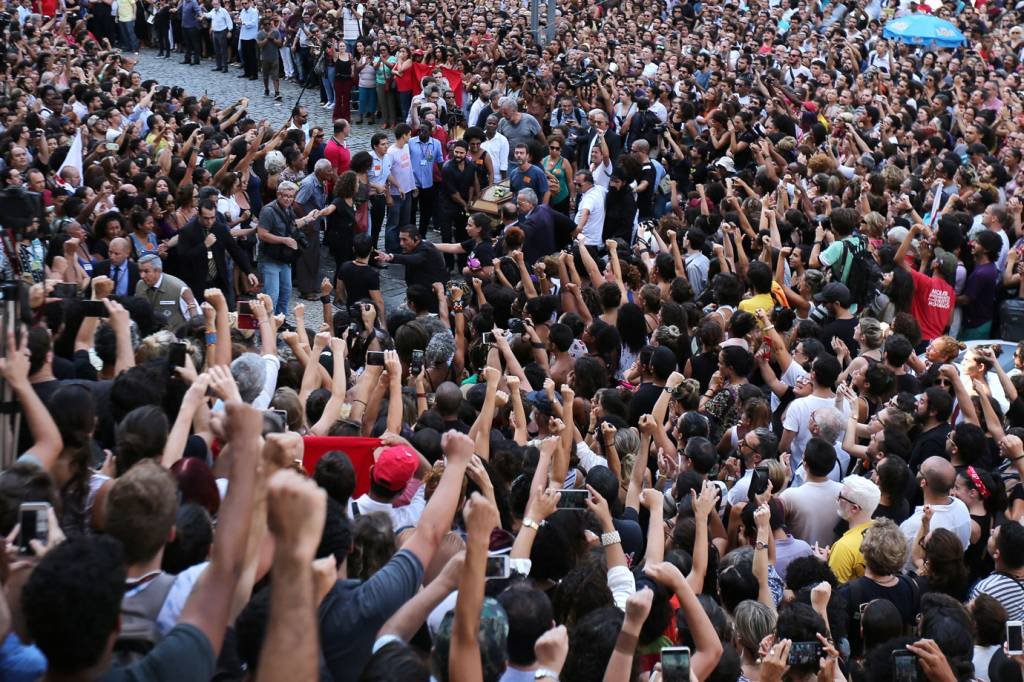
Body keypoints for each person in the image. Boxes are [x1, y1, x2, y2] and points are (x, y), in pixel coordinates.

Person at [257, 181, 321, 317]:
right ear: (278, 194)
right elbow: (262, 234)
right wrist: (284, 240)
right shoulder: (268, 211)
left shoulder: (288, 209)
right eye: (285, 195)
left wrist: (307, 218)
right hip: (270, 258)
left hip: (284, 258)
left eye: (291, 196)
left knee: (286, 291)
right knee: (272, 295)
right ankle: (267, 326)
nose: (288, 199)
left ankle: (281, 320)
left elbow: (291, 225)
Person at [136, 253, 198, 330]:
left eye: (146, 271)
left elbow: (195, 319)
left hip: (174, 337)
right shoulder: (140, 285)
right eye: (140, 271)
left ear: (158, 270)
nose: (142, 276)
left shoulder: (178, 288)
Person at [384, 123, 415, 254]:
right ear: (404, 135)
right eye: (409, 134)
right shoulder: (391, 152)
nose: (410, 137)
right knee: (393, 224)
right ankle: (391, 248)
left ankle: (402, 245)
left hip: (407, 192)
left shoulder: (406, 147)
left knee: (404, 222)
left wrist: (413, 186)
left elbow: (408, 169)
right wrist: (396, 187)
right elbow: (387, 172)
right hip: (396, 194)